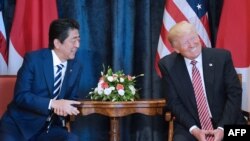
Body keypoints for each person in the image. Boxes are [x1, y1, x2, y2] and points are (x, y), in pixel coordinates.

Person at [158, 21, 247, 141]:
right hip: (191, 126)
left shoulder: (221, 57)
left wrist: (222, 129)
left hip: (228, 122)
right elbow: (174, 103)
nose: (192, 44)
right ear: (176, 49)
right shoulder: (168, 65)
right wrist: (194, 130)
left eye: (193, 38)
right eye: (185, 42)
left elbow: (234, 94)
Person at [0, 19, 82, 141]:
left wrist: (66, 108)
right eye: (73, 40)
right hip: (19, 126)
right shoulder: (34, 60)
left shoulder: (76, 66)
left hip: (48, 128)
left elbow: (71, 99)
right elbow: (21, 96)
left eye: (78, 39)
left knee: (72, 139)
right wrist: (53, 104)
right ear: (57, 43)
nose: (77, 45)